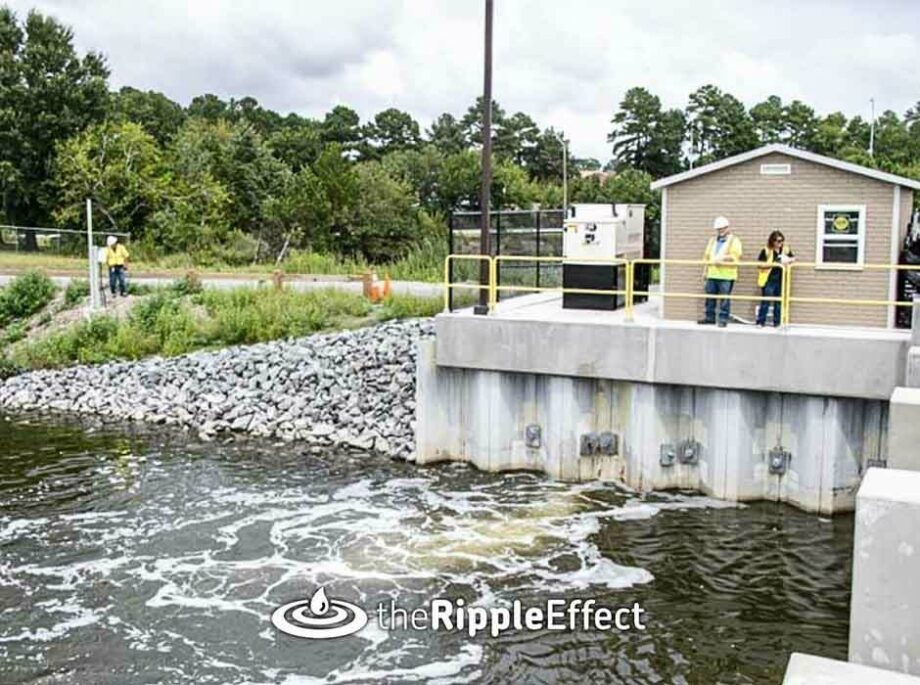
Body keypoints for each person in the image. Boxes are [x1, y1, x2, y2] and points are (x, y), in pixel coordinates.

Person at [698, 216, 742, 327]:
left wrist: (723, 259)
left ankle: (723, 319)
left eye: (722, 228)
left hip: (726, 275)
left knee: (724, 299)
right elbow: (707, 256)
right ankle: (710, 318)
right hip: (712, 274)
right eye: (718, 229)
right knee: (710, 298)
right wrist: (705, 272)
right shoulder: (712, 240)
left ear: (727, 228)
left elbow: (736, 256)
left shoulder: (734, 241)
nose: (720, 231)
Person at [756, 230, 794, 327]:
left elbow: (793, 258)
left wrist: (787, 260)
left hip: (781, 279)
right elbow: (759, 265)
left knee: (779, 301)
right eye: (777, 241)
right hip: (769, 279)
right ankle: (760, 322)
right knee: (766, 301)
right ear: (772, 241)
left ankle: (777, 322)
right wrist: (773, 264)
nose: (780, 243)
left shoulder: (785, 249)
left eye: (781, 241)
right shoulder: (766, 250)